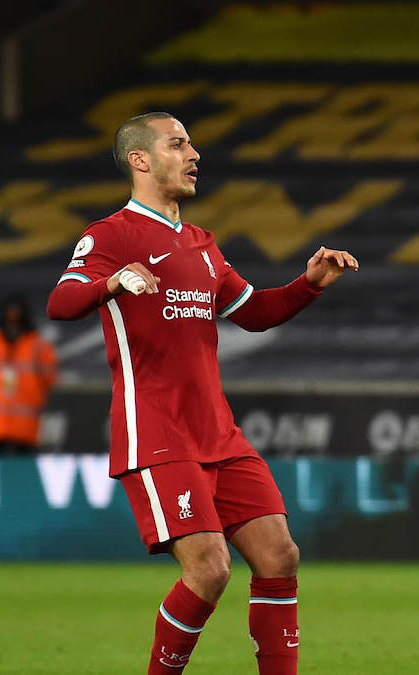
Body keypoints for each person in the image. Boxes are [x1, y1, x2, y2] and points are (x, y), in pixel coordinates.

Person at [47, 111, 358, 675]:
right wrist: (112, 282)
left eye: (192, 143)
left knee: (279, 556)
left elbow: (255, 312)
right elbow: (61, 302)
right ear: (140, 159)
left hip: (218, 432)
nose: (194, 154)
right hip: (157, 432)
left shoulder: (201, 243)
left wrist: (307, 284)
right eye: (178, 144)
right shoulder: (109, 235)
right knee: (210, 568)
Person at [0, 293, 58, 453]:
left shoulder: (38, 346)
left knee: (21, 472)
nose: (13, 316)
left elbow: (49, 377)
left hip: (25, 425)